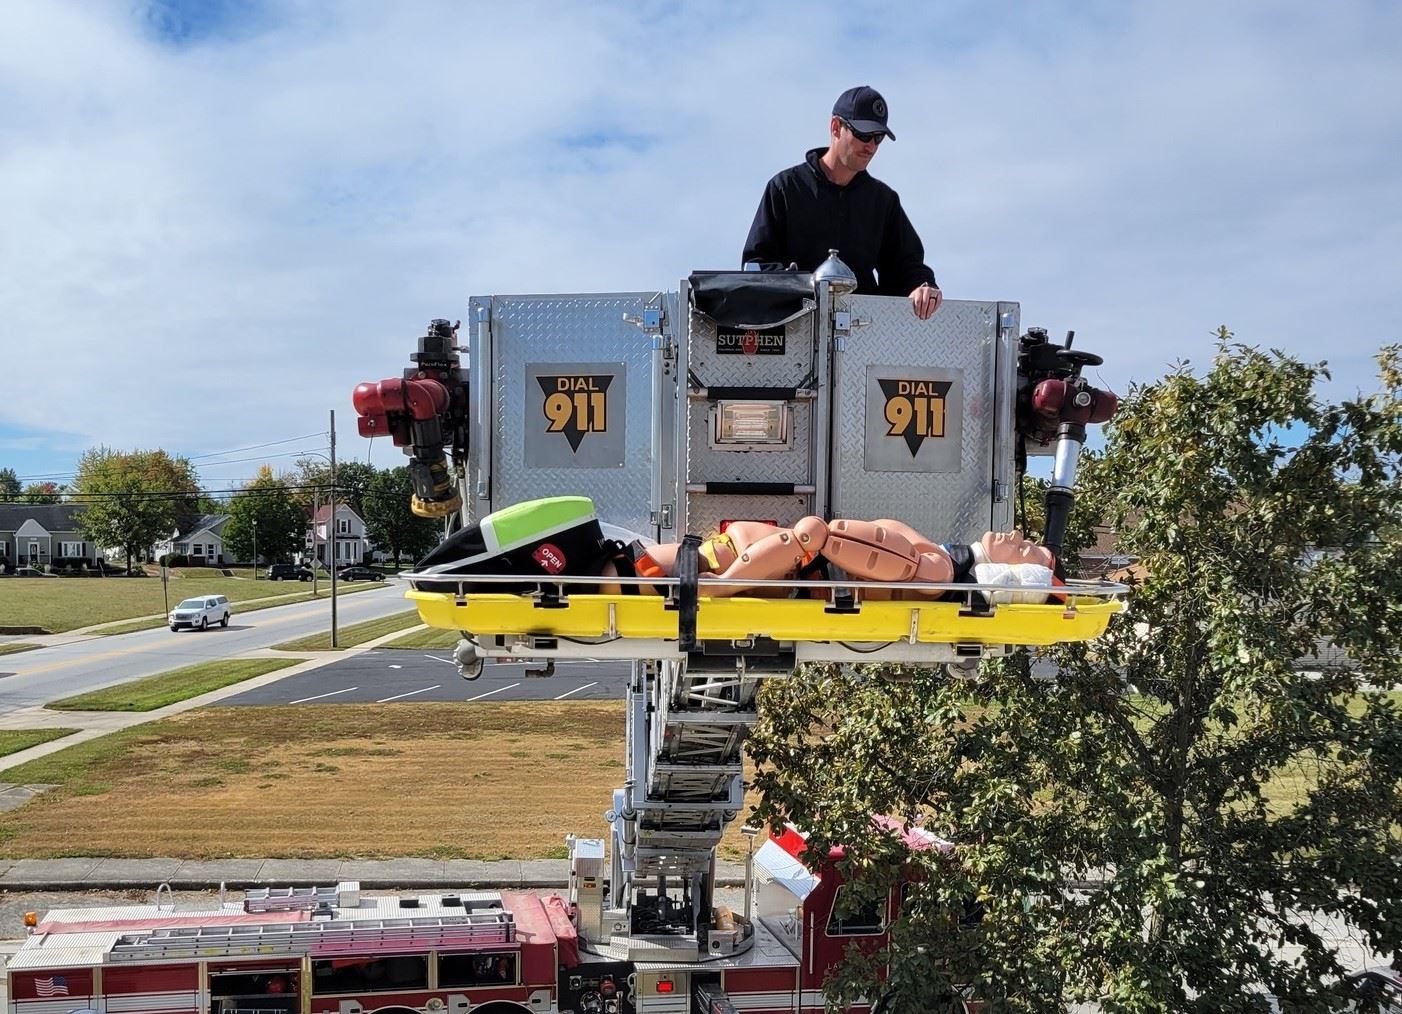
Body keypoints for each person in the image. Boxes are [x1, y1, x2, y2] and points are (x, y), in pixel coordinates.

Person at [742, 85, 943, 320]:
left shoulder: (883, 201)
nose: (871, 146)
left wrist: (922, 286)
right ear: (836, 127)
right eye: (863, 134)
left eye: (878, 137)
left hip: (862, 337)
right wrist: (797, 285)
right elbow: (757, 264)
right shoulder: (786, 188)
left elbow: (905, 266)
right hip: (794, 332)